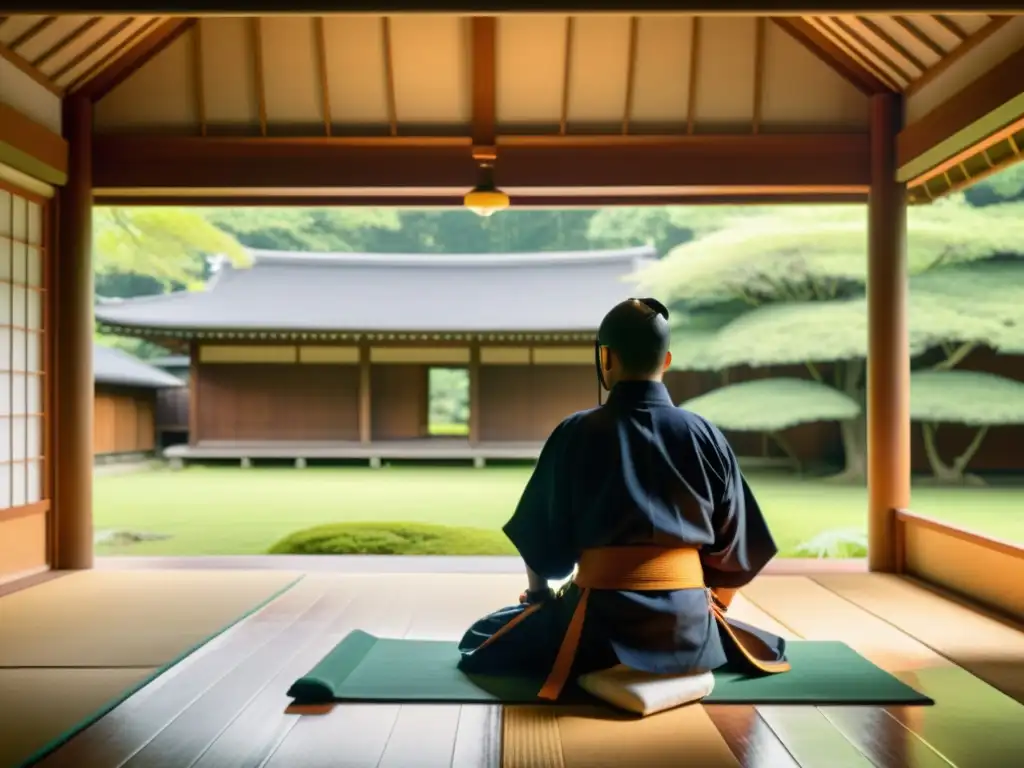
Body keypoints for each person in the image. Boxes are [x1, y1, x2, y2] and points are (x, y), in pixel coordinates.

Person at [457, 297, 790, 701]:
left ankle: (607, 670)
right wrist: (710, 607)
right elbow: (739, 544)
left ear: (606, 359)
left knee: (482, 636)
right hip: (687, 628)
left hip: (596, 627)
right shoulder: (705, 435)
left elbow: (539, 535)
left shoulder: (574, 433)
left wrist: (540, 599)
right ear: (666, 360)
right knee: (769, 644)